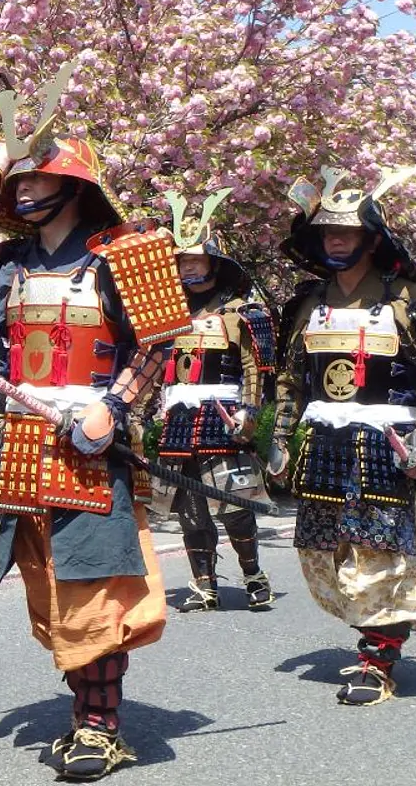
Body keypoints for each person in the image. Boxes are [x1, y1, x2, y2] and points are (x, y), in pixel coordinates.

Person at [0, 67, 187, 780]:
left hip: (90, 445)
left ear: (74, 183)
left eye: (35, 176)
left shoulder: (126, 257)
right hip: (23, 448)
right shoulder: (6, 266)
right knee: (48, 585)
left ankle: (99, 727)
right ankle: (84, 710)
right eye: (12, 179)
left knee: (93, 586)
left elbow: (158, 343)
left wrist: (112, 405)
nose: (19, 190)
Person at [273, 164, 416, 706]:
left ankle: (377, 660)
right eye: (327, 231)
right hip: (324, 448)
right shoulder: (307, 303)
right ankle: (372, 636)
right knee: (322, 553)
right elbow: (287, 379)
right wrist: (279, 438)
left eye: (346, 231)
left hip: (384, 449)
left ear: (372, 239)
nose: (335, 240)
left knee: (379, 553)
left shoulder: (406, 303)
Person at [154, 188, 278, 613]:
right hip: (178, 419)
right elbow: (156, 366)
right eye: (181, 260)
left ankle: (253, 576)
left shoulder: (242, 311)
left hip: (222, 416)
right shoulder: (167, 314)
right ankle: (203, 583)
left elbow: (254, 368)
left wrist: (250, 413)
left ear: (213, 262)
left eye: (194, 259)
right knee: (188, 506)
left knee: (233, 504)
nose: (187, 266)